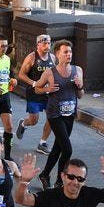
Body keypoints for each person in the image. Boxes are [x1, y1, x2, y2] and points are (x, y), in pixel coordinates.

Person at [37, 40, 85, 190]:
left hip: (69, 115)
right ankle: (59, 180)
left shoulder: (78, 70)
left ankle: (44, 174)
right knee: (68, 149)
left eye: (70, 52)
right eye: (65, 52)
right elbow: (37, 88)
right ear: (57, 54)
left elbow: (81, 95)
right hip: (54, 114)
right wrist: (47, 89)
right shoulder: (50, 72)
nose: (69, 54)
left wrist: (80, 86)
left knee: (58, 148)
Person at [16, 34, 56, 154]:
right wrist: (34, 83)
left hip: (48, 93)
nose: (47, 46)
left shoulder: (53, 58)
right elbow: (21, 74)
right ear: (38, 44)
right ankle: (24, 123)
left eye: (49, 43)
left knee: (52, 118)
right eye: (44, 43)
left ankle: (42, 143)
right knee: (34, 120)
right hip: (34, 92)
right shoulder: (32, 57)